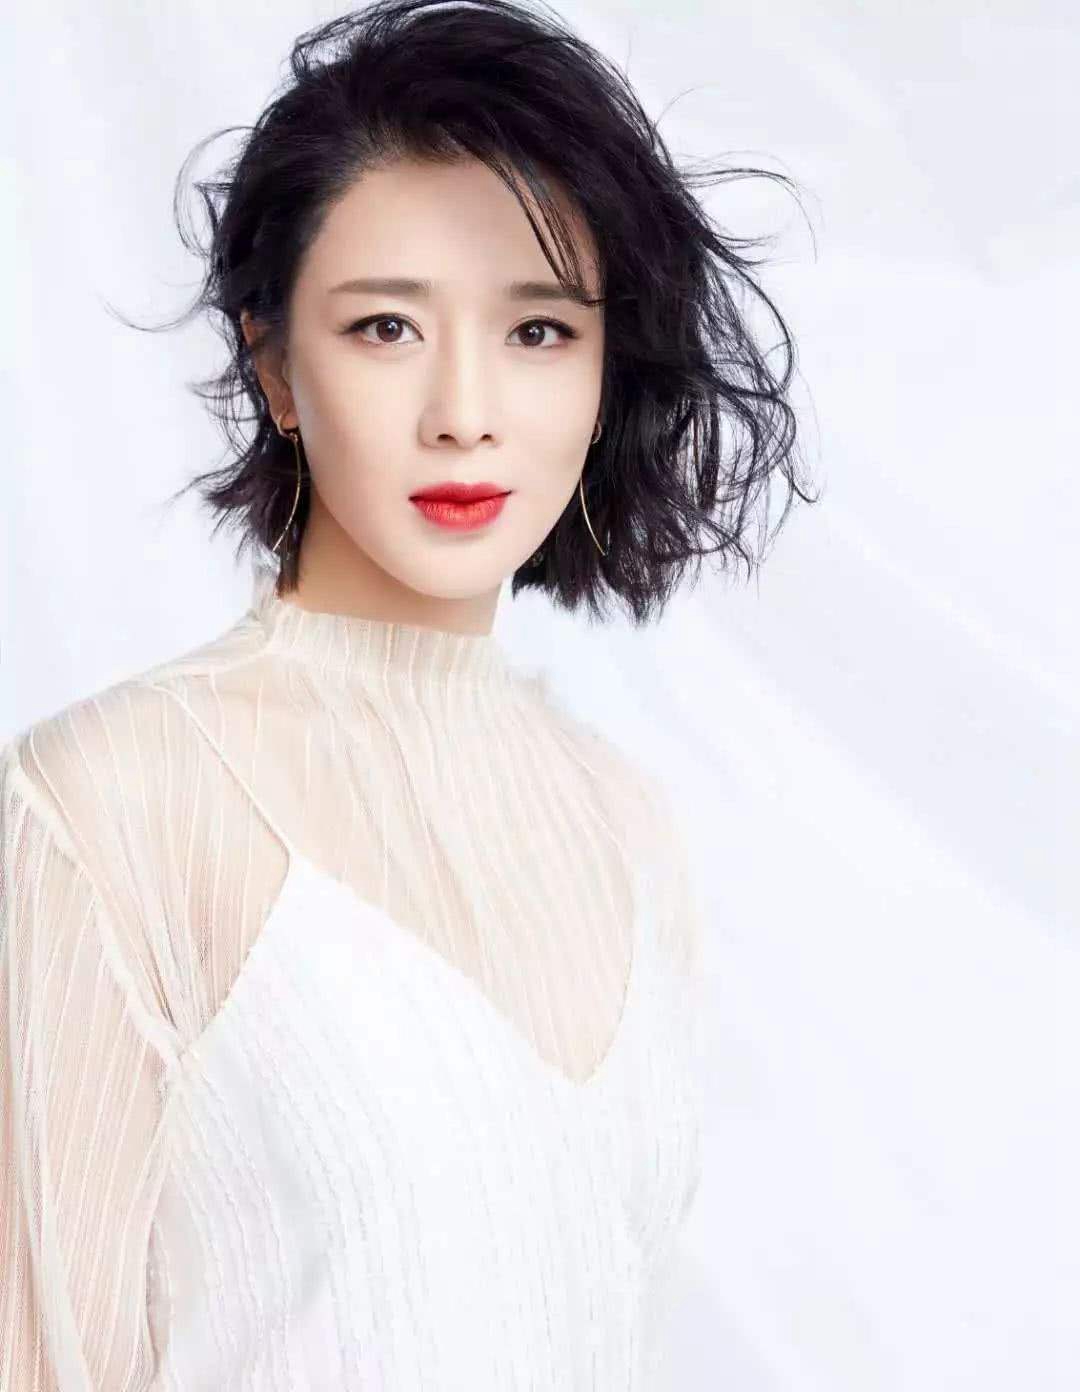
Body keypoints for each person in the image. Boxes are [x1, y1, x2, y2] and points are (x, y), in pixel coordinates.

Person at [0, 1, 812, 1386]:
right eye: (386, 326)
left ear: (606, 371)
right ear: (276, 369)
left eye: (538, 330)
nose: (464, 411)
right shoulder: (108, 804)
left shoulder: (625, 827)